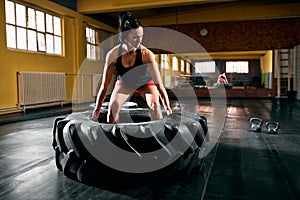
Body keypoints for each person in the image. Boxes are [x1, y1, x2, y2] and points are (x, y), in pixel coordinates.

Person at [92, 11, 172, 123]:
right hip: (125, 84)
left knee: (155, 108)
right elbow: (105, 85)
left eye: (141, 37)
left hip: (145, 84)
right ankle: (116, 138)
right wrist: (97, 108)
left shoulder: (146, 54)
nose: (139, 41)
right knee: (112, 111)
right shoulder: (113, 55)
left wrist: (167, 107)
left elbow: (159, 84)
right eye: (135, 37)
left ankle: (156, 137)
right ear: (124, 36)